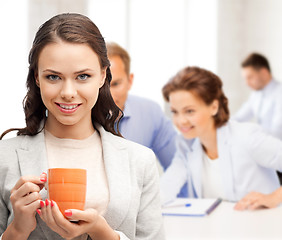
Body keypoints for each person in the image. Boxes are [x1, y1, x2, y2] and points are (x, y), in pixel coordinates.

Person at [0, 13, 164, 240]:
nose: (68, 93)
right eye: (53, 77)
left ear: (102, 76)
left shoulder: (140, 162)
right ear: (37, 78)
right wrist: (17, 230)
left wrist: (103, 233)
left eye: (83, 76)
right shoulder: (4, 158)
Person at [160, 66, 282, 207]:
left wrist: (273, 198)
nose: (181, 121)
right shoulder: (185, 144)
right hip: (220, 226)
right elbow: (167, 187)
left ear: (214, 107)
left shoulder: (246, 137)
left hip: (264, 224)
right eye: (175, 112)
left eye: (190, 111)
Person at [106, 42, 177, 170]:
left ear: (130, 81)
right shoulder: (76, 116)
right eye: (102, 85)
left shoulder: (150, 114)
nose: (109, 95)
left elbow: (178, 167)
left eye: (116, 84)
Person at [234, 53, 282, 140]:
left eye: (250, 77)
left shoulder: (279, 93)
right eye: (245, 78)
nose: (247, 83)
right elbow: (239, 118)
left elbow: (278, 133)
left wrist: (250, 132)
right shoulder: (256, 94)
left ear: (264, 73)